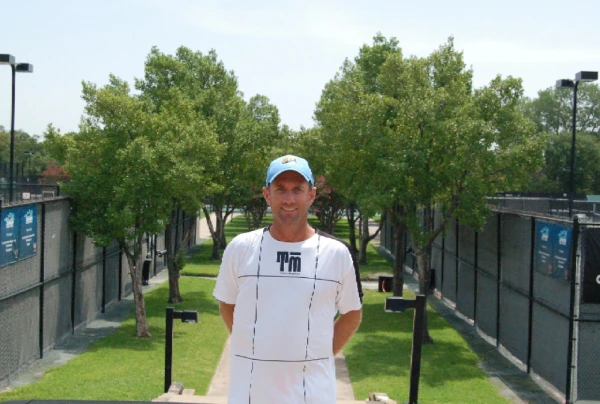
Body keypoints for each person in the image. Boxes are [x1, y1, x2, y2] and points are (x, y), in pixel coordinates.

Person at [213, 154, 363, 404]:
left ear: (311, 195)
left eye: (297, 190)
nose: (289, 199)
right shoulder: (241, 248)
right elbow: (227, 305)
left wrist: (319, 356)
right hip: (250, 395)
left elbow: (352, 314)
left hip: (314, 395)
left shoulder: (337, 253)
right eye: (280, 189)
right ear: (267, 194)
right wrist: (256, 350)